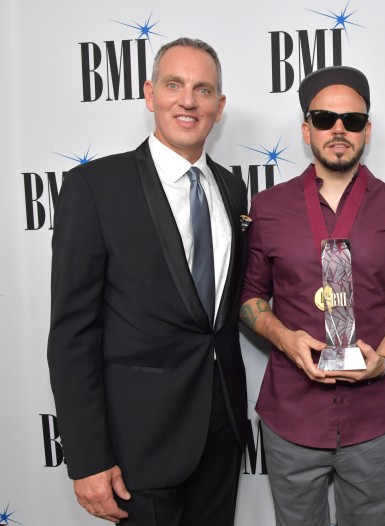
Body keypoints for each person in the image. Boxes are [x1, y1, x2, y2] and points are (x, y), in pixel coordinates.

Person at [47, 38, 248, 525]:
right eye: (174, 85)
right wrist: (88, 456)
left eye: (203, 90)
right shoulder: (94, 187)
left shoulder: (231, 187)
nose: (188, 100)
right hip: (137, 444)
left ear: (219, 108)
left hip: (221, 432)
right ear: (149, 93)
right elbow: (72, 333)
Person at [239, 65, 385, 526]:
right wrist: (286, 340)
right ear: (307, 129)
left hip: (373, 418)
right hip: (291, 418)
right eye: (324, 119)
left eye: (352, 120)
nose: (338, 129)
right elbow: (249, 299)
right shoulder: (267, 208)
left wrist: (384, 357)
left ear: (368, 130)